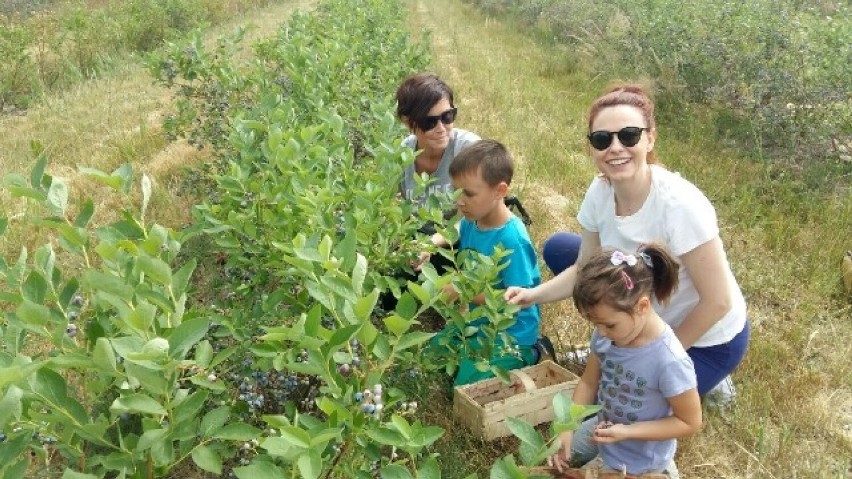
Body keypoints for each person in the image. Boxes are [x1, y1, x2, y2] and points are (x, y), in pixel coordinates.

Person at [505, 84, 749, 404]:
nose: (615, 148)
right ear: (592, 147)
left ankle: (711, 379)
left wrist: (653, 354)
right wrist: (531, 296)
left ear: (650, 138)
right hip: (641, 302)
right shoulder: (600, 190)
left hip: (708, 338)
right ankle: (626, 332)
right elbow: (583, 268)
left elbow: (718, 302)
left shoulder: (681, 206)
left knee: (622, 403)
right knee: (560, 248)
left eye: (629, 135)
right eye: (602, 139)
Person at [548, 245, 702, 478]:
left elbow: (689, 422)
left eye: (609, 325)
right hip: (605, 432)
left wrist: (628, 432)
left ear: (642, 306)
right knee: (551, 462)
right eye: (595, 324)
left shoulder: (669, 361)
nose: (601, 332)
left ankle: (664, 473)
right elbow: (589, 383)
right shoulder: (606, 336)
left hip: (641, 457)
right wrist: (567, 428)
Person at [428, 139, 544, 386]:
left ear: (500, 191)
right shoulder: (473, 218)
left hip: (510, 334)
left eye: (468, 194)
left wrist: (464, 291)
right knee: (431, 356)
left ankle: (533, 353)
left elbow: (518, 298)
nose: (459, 201)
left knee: (468, 385)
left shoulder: (512, 240)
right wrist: (431, 243)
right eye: (456, 192)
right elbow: (459, 228)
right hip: (478, 325)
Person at [380, 72, 481, 312]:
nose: (441, 128)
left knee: (454, 294)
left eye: (448, 116)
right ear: (407, 121)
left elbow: (477, 219)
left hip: (464, 239)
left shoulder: (468, 150)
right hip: (422, 238)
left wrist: (431, 244)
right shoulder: (402, 155)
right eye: (429, 122)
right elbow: (396, 211)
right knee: (388, 301)